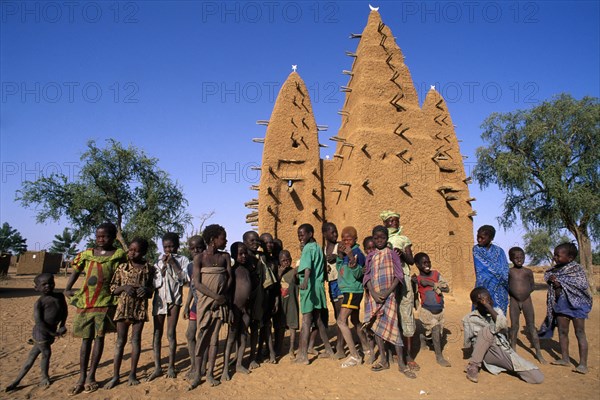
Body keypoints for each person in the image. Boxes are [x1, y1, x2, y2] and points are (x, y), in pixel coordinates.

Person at [64, 222, 126, 395]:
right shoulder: (86, 254)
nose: (101, 239)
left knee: (99, 339)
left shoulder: (119, 255)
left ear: (113, 237)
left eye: (105, 236)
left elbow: (124, 274)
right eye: (98, 236)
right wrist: (68, 288)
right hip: (86, 302)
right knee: (86, 340)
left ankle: (92, 376)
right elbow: (76, 270)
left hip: (105, 302)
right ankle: (81, 377)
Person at [363, 225, 415, 378]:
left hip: (389, 296)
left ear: (387, 238)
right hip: (374, 297)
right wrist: (373, 292)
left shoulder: (392, 254)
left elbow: (398, 276)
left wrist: (388, 291)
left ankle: (401, 365)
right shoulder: (370, 256)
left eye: (382, 238)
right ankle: (384, 360)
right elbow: (366, 277)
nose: (379, 240)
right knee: (377, 327)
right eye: (376, 238)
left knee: (393, 327)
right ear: (373, 238)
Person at [463, 287, 543, 384]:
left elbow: (502, 325)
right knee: (486, 331)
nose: (488, 303)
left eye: (489, 300)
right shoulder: (469, 318)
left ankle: (506, 366)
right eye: (483, 301)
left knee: (537, 377)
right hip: (486, 353)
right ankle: (473, 367)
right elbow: (467, 343)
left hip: (502, 350)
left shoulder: (498, 312)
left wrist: (488, 307)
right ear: (476, 304)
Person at [104, 238, 155, 389]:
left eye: (136, 250)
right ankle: (115, 375)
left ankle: (132, 374)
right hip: (123, 309)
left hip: (139, 309)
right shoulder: (122, 267)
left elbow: (151, 290)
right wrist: (124, 287)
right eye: (130, 249)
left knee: (136, 341)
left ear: (144, 252)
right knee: (120, 342)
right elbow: (113, 289)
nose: (132, 252)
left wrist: (146, 290)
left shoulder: (149, 269)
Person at [5, 273, 67, 392]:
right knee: (46, 353)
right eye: (44, 284)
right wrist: (53, 333)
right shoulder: (39, 303)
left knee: (32, 357)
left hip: (51, 331)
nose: (48, 286)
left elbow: (64, 311)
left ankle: (16, 381)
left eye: (50, 283)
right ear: (36, 288)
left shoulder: (60, 296)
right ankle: (44, 377)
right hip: (41, 333)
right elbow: (39, 322)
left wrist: (62, 325)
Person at [539, 243, 592, 374]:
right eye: (554, 254)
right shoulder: (555, 270)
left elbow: (581, 284)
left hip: (577, 305)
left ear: (570, 258)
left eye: (558, 255)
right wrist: (553, 281)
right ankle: (565, 358)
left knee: (580, 333)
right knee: (562, 332)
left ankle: (583, 364)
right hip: (562, 305)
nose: (555, 257)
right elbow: (549, 279)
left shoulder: (576, 269)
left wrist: (560, 282)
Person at [189, 224, 232, 388]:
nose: (225, 240)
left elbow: (229, 279)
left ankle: (210, 373)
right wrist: (215, 297)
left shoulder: (225, 257)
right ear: (213, 240)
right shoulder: (199, 258)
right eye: (223, 238)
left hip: (219, 304)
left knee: (214, 339)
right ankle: (197, 374)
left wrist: (221, 297)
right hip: (205, 304)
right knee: (202, 338)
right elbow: (197, 284)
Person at [147, 232, 190, 381]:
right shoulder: (158, 262)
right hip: (159, 300)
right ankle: (158, 367)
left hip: (174, 300)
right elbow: (154, 283)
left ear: (177, 246)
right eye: (166, 247)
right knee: (157, 333)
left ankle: (171, 366)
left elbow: (185, 279)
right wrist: (163, 268)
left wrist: (173, 264)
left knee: (171, 333)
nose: (169, 250)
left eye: (171, 246)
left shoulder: (183, 260)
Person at [380, 210, 418, 372]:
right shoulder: (381, 238)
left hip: (404, 279)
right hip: (388, 281)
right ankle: (391, 351)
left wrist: (402, 254)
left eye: (396, 220)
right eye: (390, 221)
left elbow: (412, 261)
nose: (393, 223)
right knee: (390, 314)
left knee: (406, 314)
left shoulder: (403, 239)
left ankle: (408, 355)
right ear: (385, 223)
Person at [294, 223, 334, 364]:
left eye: (302, 234)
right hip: (318, 287)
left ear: (310, 234)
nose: (300, 237)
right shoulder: (317, 247)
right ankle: (329, 350)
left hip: (309, 288)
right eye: (299, 235)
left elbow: (307, 267)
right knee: (318, 321)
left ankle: (303, 356)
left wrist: (304, 281)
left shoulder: (308, 249)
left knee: (306, 321)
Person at [336, 226, 370, 368]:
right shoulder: (345, 253)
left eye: (349, 239)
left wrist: (350, 257)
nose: (346, 241)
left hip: (353, 291)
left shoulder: (357, 253)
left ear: (355, 239)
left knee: (341, 320)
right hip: (347, 290)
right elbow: (340, 269)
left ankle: (355, 356)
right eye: (343, 239)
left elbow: (359, 274)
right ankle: (367, 347)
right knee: (355, 320)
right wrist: (340, 256)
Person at [507, 246, 546, 364]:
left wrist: (524, 294)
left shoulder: (528, 272)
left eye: (522, 257)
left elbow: (532, 285)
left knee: (531, 326)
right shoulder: (509, 272)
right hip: (514, 301)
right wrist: (515, 295)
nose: (519, 260)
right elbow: (507, 285)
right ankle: (513, 350)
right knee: (514, 326)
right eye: (516, 258)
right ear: (511, 259)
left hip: (527, 300)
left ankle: (538, 352)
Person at [412, 252, 451, 367]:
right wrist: (414, 281)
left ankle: (423, 338)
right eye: (424, 263)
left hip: (440, 311)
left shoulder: (436, 274)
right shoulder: (417, 279)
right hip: (426, 311)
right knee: (435, 328)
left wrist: (430, 283)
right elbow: (412, 293)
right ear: (418, 265)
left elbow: (447, 288)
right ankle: (439, 357)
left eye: (428, 261)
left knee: (437, 333)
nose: (427, 264)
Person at [222, 242, 252, 381]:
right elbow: (228, 293)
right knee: (231, 339)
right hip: (235, 308)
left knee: (243, 336)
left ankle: (239, 364)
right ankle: (224, 370)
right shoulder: (233, 271)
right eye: (240, 254)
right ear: (234, 255)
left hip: (246, 309)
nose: (244, 256)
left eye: (245, 253)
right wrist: (230, 310)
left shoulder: (246, 270)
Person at [183, 235, 207, 380]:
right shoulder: (190, 266)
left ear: (204, 247)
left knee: (202, 336)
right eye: (193, 248)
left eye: (199, 247)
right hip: (195, 305)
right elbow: (193, 287)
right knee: (190, 335)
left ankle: (201, 367)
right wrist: (186, 305)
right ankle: (194, 365)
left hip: (205, 306)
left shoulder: (208, 262)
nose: (196, 250)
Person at [473, 225, 509, 314]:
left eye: (482, 238)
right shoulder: (477, 249)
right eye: (478, 237)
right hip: (483, 287)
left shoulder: (500, 251)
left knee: (498, 314)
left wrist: (503, 277)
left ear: (491, 238)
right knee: (482, 313)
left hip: (500, 288)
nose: (479, 240)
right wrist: (499, 275)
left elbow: (505, 269)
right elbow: (483, 269)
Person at [322, 222, 344, 358]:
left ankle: (340, 347)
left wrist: (337, 257)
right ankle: (341, 344)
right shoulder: (323, 250)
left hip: (341, 283)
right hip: (331, 284)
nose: (335, 234)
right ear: (325, 234)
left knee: (341, 315)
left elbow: (346, 258)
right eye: (332, 232)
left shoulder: (339, 246)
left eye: (336, 231)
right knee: (337, 314)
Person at [276, 250, 299, 359]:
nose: (286, 262)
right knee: (280, 326)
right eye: (283, 261)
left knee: (292, 326)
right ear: (279, 262)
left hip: (292, 303)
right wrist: (280, 273)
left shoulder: (294, 272)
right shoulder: (277, 273)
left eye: (288, 260)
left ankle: (291, 348)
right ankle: (278, 348)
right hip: (280, 304)